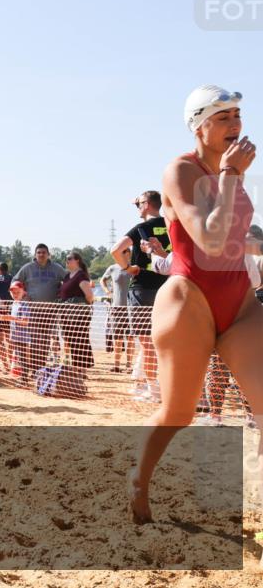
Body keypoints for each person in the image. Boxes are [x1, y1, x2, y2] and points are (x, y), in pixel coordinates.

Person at [129, 85, 261, 525]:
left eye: (238, 115)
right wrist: (227, 177)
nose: (235, 124)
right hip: (190, 297)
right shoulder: (179, 171)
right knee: (180, 411)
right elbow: (208, 238)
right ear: (199, 126)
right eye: (223, 117)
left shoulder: (232, 172)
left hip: (239, 298)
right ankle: (139, 479)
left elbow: (238, 239)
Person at [112, 190, 171, 403]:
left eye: (138, 204)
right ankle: (168, 386)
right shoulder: (172, 225)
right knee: (168, 342)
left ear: (147, 205)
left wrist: (128, 268)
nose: (137, 208)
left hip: (142, 289)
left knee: (147, 344)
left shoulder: (141, 228)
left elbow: (116, 250)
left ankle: (153, 390)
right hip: (169, 289)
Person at [12, 244, 66, 381]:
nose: (41, 255)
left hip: (50, 311)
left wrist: (62, 294)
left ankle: (39, 369)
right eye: (38, 252)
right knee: (35, 341)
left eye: (43, 252)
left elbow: (67, 281)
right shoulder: (28, 268)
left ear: (48, 254)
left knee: (45, 341)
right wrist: (23, 294)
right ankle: (34, 369)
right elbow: (15, 282)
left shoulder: (57, 268)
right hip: (32, 311)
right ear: (35, 254)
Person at [56, 251, 95, 397]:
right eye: (66, 259)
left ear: (77, 260)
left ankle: (81, 371)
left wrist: (81, 309)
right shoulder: (67, 276)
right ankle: (76, 369)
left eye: (69, 259)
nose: (67, 262)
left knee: (80, 340)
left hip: (78, 314)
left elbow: (90, 296)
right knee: (71, 341)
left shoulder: (81, 276)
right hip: (66, 313)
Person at [101, 248, 134, 373]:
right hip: (116, 307)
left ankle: (129, 365)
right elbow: (102, 280)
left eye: (126, 252)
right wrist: (107, 292)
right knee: (117, 337)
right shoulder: (113, 268)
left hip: (131, 307)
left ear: (129, 254)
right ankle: (116, 365)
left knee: (130, 337)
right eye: (121, 253)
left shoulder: (134, 268)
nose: (123, 255)